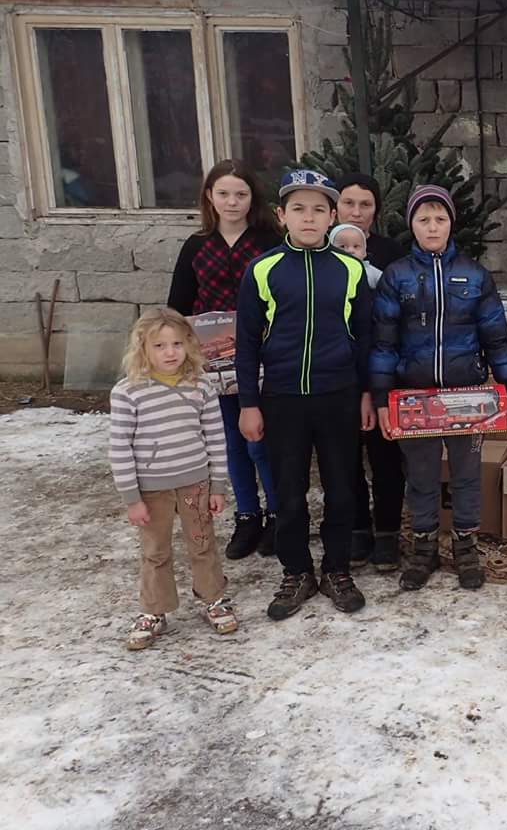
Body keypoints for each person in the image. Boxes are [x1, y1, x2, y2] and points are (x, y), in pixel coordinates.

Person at [236, 170, 376, 620]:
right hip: (282, 397)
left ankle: (336, 568)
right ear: (282, 216)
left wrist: (366, 395)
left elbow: (365, 339)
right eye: (298, 208)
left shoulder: (350, 269)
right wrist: (248, 403)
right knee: (289, 491)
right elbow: (247, 342)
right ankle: (296, 570)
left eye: (319, 209)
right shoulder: (263, 269)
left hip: (338, 395)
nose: (309, 217)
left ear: (333, 216)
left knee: (342, 488)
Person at [370, 185, 507, 592]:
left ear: (451, 223)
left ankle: (465, 545)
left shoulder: (474, 274)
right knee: (419, 474)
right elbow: (383, 343)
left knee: (466, 473)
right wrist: (382, 397)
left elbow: (497, 336)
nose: (432, 227)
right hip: (413, 399)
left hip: (466, 397)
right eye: (424, 219)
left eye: (440, 219)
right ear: (412, 225)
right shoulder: (396, 277)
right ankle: (423, 547)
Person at [168, 160, 282, 561]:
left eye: (241, 194)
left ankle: (277, 515)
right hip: (212, 363)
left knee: (261, 440)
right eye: (224, 194)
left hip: (264, 358)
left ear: (253, 199)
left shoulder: (269, 241)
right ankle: (247, 515)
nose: (232, 202)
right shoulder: (197, 246)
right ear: (209, 197)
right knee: (230, 441)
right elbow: (178, 306)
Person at [109, 308, 237, 651]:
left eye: (177, 343)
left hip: (195, 484)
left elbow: (215, 437)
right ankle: (154, 609)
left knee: (202, 542)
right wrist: (131, 498)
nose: (170, 352)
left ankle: (213, 598)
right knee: (156, 551)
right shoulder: (128, 392)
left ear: (189, 345)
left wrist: (218, 486)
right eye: (160, 346)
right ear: (143, 349)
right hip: (151, 489)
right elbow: (119, 445)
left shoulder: (201, 385)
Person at [334, 174, 409, 571]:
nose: (357, 212)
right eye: (349, 203)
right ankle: (357, 530)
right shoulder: (324, 253)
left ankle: (387, 534)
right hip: (338, 377)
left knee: (384, 458)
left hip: (382, 371)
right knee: (345, 460)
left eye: (365, 204)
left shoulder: (390, 252)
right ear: (336, 208)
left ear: (376, 210)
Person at [331, 223, 383, 288]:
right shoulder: (329, 271)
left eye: (356, 246)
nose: (350, 251)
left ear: (364, 252)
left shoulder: (371, 272)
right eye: (342, 246)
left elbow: (386, 287)